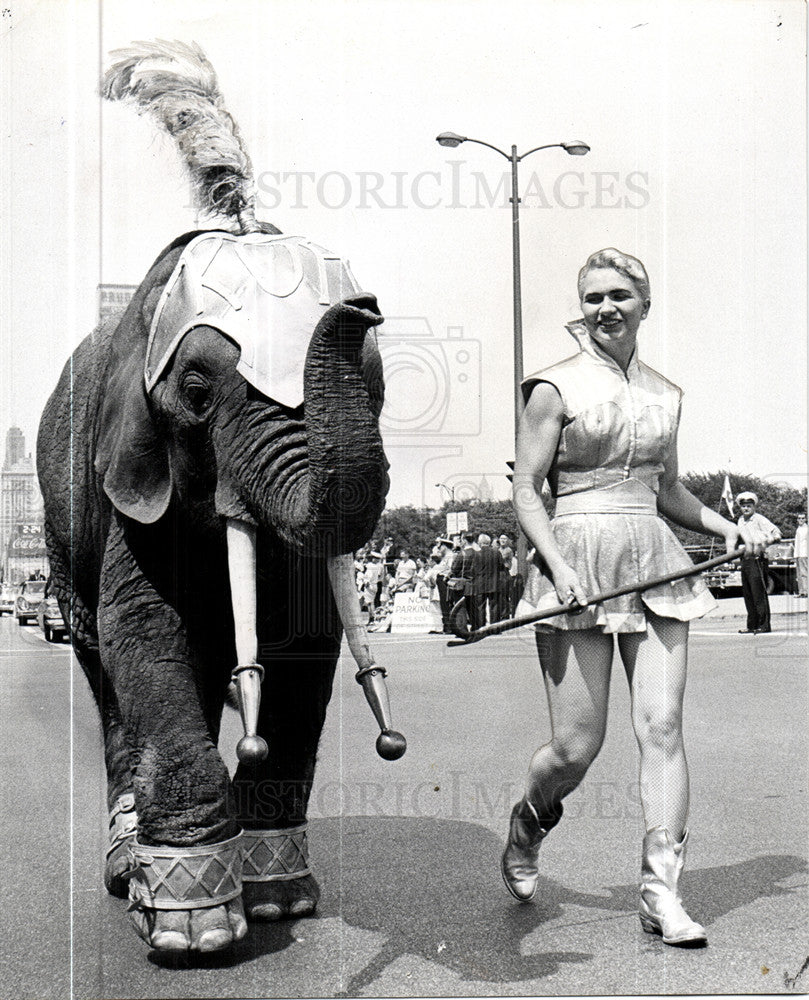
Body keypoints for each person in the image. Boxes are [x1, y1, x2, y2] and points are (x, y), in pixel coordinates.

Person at [503, 248, 756, 948]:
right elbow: (526, 490)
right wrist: (554, 566)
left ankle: (660, 890)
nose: (605, 307)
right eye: (592, 297)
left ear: (645, 305)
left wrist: (727, 526)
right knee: (575, 747)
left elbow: (666, 490)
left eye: (619, 295)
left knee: (663, 726)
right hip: (574, 560)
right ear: (579, 307)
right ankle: (529, 820)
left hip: (652, 561)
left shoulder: (665, 393)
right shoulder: (550, 388)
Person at [735, 492, 781, 633]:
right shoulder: (740, 521)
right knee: (748, 593)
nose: (746, 509)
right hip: (746, 559)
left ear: (754, 506)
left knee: (758, 593)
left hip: (758, 559)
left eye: (749, 506)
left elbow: (777, 533)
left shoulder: (759, 519)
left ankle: (764, 625)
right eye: (743, 506)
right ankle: (752, 625)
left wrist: (768, 541)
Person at [449, 532, 482, 631]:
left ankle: (462, 628)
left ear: (464, 540)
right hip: (474, 583)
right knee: (473, 608)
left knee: (461, 608)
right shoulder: (478, 554)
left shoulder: (461, 554)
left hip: (462, 585)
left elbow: (454, 569)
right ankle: (476, 627)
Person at [475, 533, 502, 625]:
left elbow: (473, 569)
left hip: (480, 583)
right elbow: (501, 566)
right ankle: (495, 626)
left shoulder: (477, 554)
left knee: (480, 606)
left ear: (480, 543)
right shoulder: (496, 553)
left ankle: (481, 625)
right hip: (494, 582)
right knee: (494, 605)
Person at [793, 513, 807, 598]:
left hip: (804, 553)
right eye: (799, 518)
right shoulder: (799, 529)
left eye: (802, 518)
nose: (801, 520)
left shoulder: (806, 529)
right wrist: (795, 555)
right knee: (799, 574)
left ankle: (806, 592)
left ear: (805, 519)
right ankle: (801, 591)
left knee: (804, 573)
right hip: (798, 554)